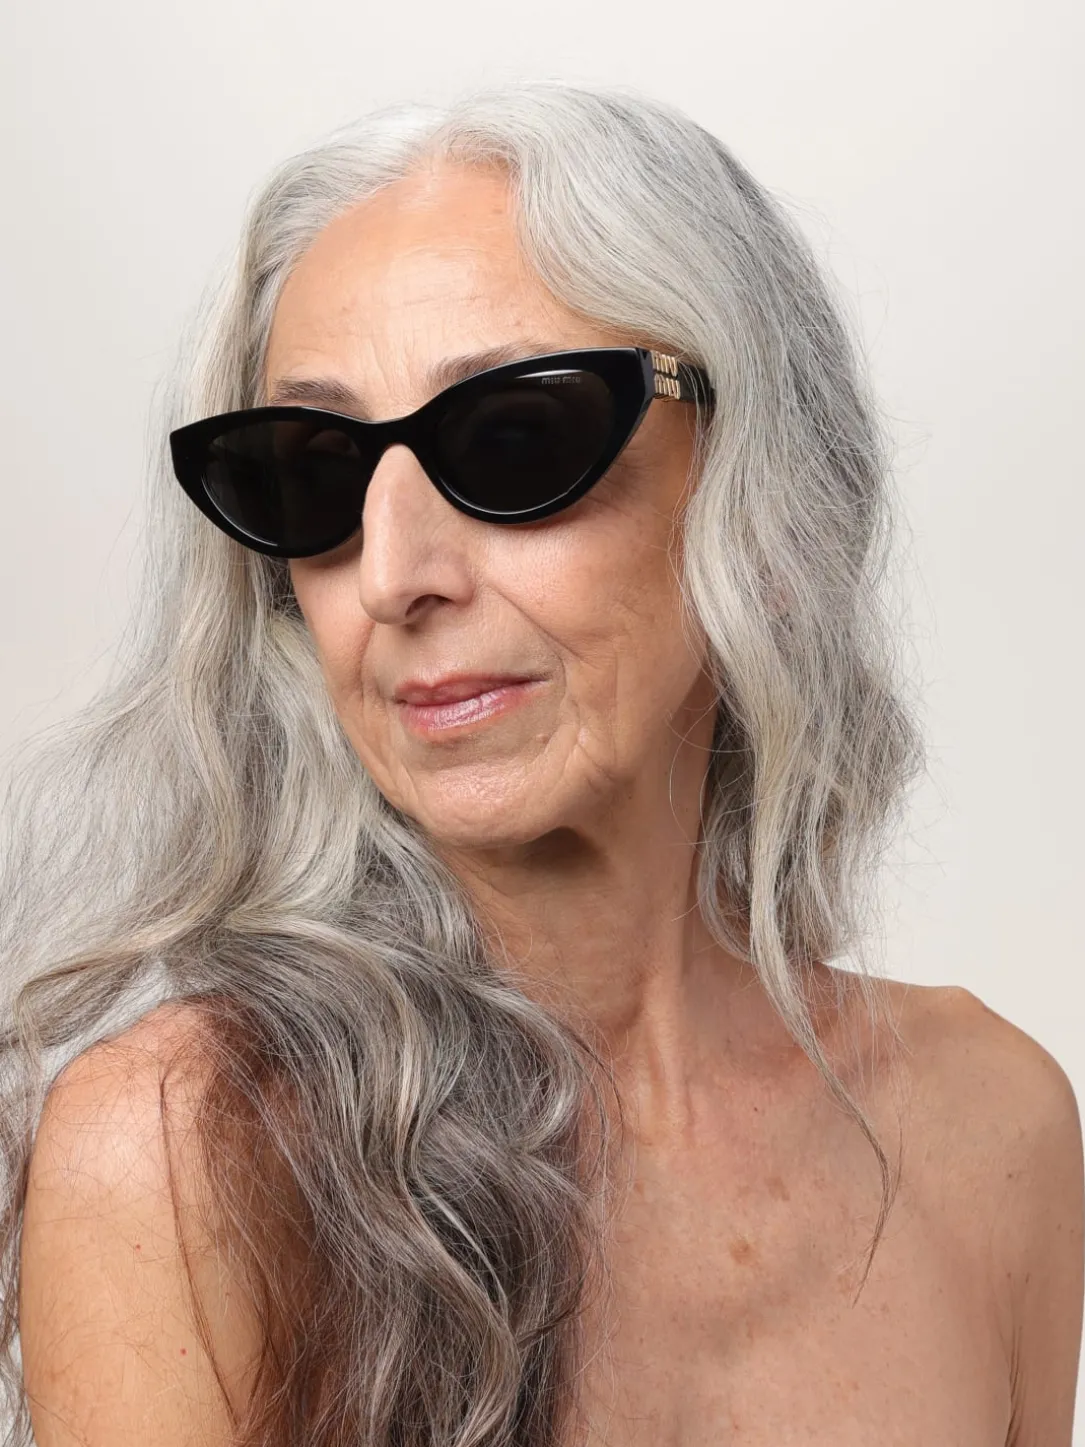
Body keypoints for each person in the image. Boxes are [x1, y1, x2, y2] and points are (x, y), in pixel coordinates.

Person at [1, 80, 1080, 1447]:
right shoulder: (185, 1147)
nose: (392, 576)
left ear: (764, 492)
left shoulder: (995, 1127)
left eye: (512, 439)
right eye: (311, 471)